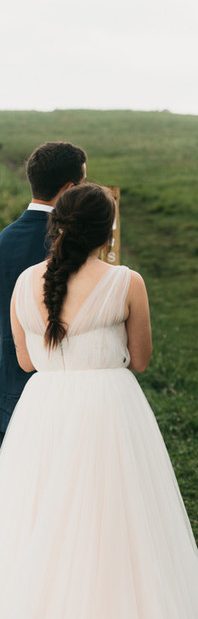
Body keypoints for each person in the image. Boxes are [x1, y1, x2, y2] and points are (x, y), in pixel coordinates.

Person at [0, 184, 198, 619]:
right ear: (107, 231)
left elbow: (27, 362)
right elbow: (142, 359)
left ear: (56, 227)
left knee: (37, 525)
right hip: (105, 412)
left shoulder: (24, 282)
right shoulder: (126, 281)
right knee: (114, 529)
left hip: (43, 414)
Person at [0, 141, 87, 446]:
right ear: (68, 189)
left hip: (6, 382)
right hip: (63, 387)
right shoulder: (73, 246)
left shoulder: (3, 240)